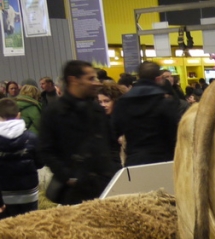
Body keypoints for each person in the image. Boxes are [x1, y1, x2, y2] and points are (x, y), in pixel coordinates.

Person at [36, 60, 120, 205]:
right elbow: (45, 150)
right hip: (73, 194)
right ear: (73, 80)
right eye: (90, 78)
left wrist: (113, 171)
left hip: (104, 189)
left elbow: (111, 144)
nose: (97, 83)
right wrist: (68, 177)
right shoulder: (54, 112)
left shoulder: (97, 110)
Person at [112, 61, 181, 167]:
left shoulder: (122, 102)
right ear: (158, 78)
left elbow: (114, 132)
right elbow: (175, 132)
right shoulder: (165, 101)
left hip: (134, 160)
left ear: (139, 77)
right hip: (165, 160)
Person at [0, 97, 40, 219]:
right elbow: (40, 163)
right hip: (28, 192)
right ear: (19, 115)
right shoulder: (32, 138)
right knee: (30, 226)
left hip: (4, 195)